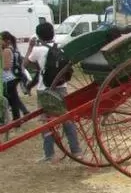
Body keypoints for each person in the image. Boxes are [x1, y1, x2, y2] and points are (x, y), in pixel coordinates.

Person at [26, 22, 81, 163]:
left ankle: (49, 154)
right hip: (61, 87)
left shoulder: (38, 50)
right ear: (53, 33)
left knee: (46, 122)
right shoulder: (61, 48)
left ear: (39, 35)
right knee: (66, 120)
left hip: (44, 90)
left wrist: (30, 46)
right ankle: (76, 151)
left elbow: (26, 64)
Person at [1, 31, 28, 121]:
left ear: (6, 40)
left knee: (12, 101)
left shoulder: (6, 50)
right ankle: (18, 118)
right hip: (9, 79)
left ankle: (16, 120)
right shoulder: (10, 49)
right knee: (13, 100)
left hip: (8, 79)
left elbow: (6, 66)